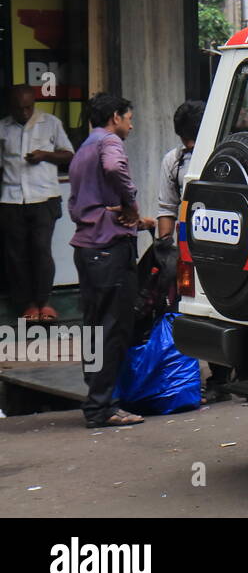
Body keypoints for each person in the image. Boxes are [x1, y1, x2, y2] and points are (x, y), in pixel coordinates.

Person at [69, 93, 155, 428]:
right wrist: (131, 204)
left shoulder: (83, 148)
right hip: (108, 248)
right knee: (113, 328)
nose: (131, 124)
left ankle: (97, 401)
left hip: (87, 247)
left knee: (93, 326)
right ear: (115, 117)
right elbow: (114, 167)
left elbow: (77, 203)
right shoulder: (108, 143)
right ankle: (103, 406)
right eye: (129, 118)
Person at [157, 100, 231, 402]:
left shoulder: (226, 157)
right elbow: (166, 207)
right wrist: (164, 253)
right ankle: (218, 378)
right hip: (191, 251)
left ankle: (227, 376)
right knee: (199, 311)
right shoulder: (173, 161)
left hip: (227, 246)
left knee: (227, 308)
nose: (190, 147)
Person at [0, 86, 74, 323]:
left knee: (41, 250)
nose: (24, 113)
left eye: (28, 107)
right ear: (11, 106)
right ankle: (27, 305)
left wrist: (45, 155)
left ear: (34, 103)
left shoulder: (50, 123)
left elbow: (69, 154)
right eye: (19, 108)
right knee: (16, 254)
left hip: (45, 197)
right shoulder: (3, 128)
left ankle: (44, 301)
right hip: (11, 199)